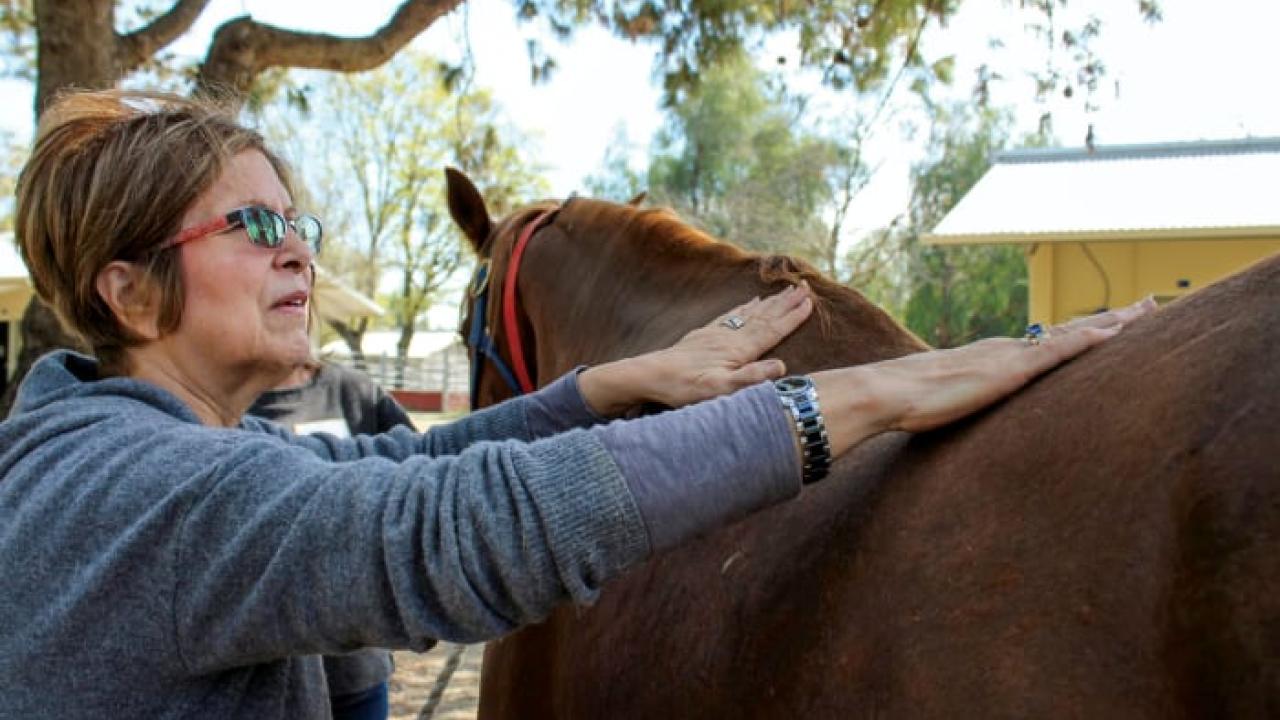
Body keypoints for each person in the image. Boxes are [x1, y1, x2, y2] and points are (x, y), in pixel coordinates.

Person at [0, 89, 1154, 719]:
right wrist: (866, 393)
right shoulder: (152, 495)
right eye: (255, 226)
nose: (298, 250)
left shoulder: (112, 447)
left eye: (297, 222)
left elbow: (379, 478)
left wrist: (602, 387)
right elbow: (452, 526)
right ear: (128, 289)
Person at [248, 359, 415, 720]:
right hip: (264, 677)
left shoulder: (354, 392)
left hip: (357, 668)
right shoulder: (220, 405)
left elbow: (415, 479)